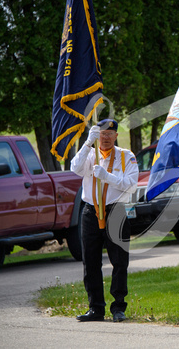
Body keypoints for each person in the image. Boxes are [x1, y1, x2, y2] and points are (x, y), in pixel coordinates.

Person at [71, 119, 139, 322]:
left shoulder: (126, 156)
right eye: (102, 133)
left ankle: (118, 307)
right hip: (91, 212)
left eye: (110, 133)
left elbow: (132, 185)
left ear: (116, 136)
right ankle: (96, 308)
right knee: (90, 261)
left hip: (115, 211)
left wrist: (107, 176)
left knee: (119, 262)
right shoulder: (90, 154)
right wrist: (86, 143)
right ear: (97, 135)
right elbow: (75, 168)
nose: (106, 137)